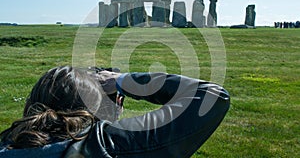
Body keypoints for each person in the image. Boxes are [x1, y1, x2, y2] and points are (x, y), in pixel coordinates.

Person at [0, 66, 230, 157]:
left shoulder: (6, 143)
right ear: (116, 104)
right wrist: (124, 81)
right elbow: (212, 96)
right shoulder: (110, 146)